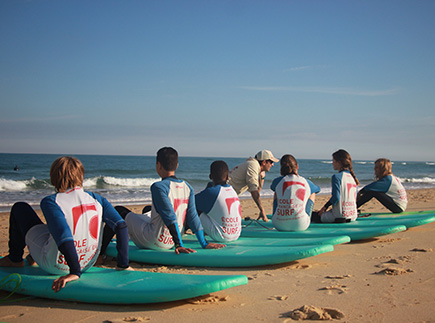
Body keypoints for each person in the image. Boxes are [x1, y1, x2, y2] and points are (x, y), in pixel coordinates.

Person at [0, 156, 130, 292]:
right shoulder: (97, 199)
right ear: (81, 176)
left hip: (56, 265)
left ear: (53, 177)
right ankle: (32, 257)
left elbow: (64, 235)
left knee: (20, 208)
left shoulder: (51, 201)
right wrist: (123, 264)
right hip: (87, 262)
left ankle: (15, 259)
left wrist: (74, 272)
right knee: (53, 227)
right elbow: (121, 226)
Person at [103, 147, 225, 255]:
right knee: (147, 211)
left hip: (156, 240)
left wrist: (179, 245)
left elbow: (169, 216)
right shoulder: (188, 187)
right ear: (177, 165)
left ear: (158, 165)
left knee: (118, 211)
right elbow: (193, 217)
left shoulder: (158, 187)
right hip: (172, 241)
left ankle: (100, 253)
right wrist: (204, 243)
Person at [270, 154, 320, 231]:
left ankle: (277, 215)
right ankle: (306, 216)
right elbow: (317, 189)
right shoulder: (306, 182)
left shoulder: (277, 181)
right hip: (301, 225)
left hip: (278, 224)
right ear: (297, 166)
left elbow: (272, 187)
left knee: (277, 191)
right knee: (312, 193)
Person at [195, 160, 241, 242]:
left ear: (210, 176)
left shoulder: (212, 192)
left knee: (194, 208)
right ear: (227, 177)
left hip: (222, 236)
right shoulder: (232, 190)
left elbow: (191, 202)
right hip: (237, 234)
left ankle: (182, 232)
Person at [228, 150, 279, 222]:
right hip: (224, 195)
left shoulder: (253, 165)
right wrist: (262, 211)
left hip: (229, 196)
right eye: (271, 162)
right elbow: (253, 191)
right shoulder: (253, 165)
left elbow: (256, 190)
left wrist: (262, 178)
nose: (272, 164)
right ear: (264, 162)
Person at [312, 149, 359, 223]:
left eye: (333, 161)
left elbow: (336, 197)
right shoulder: (353, 178)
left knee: (312, 216)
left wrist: (324, 207)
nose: (332, 163)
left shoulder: (336, 177)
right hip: (353, 215)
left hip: (339, 217)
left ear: (339, 162)